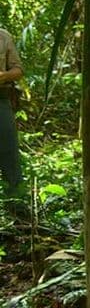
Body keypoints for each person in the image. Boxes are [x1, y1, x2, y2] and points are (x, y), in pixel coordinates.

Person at [0, 27, 23, 194]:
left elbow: (18, 70)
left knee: (9, 151)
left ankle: (16, 199)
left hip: (1, 98)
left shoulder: (3, 36)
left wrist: (4, 76)